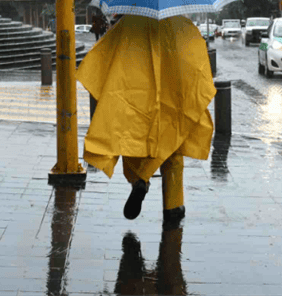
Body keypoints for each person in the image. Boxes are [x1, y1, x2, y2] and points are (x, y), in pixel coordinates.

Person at [76, 14, 216, 224]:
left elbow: (102, 56)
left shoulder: (128, 25)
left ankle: (139, 180)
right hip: (173, 103)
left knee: (134, 146)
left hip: (137, 101)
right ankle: (173, 206)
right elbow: (197, 64)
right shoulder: (182, 26)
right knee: (172, 152)